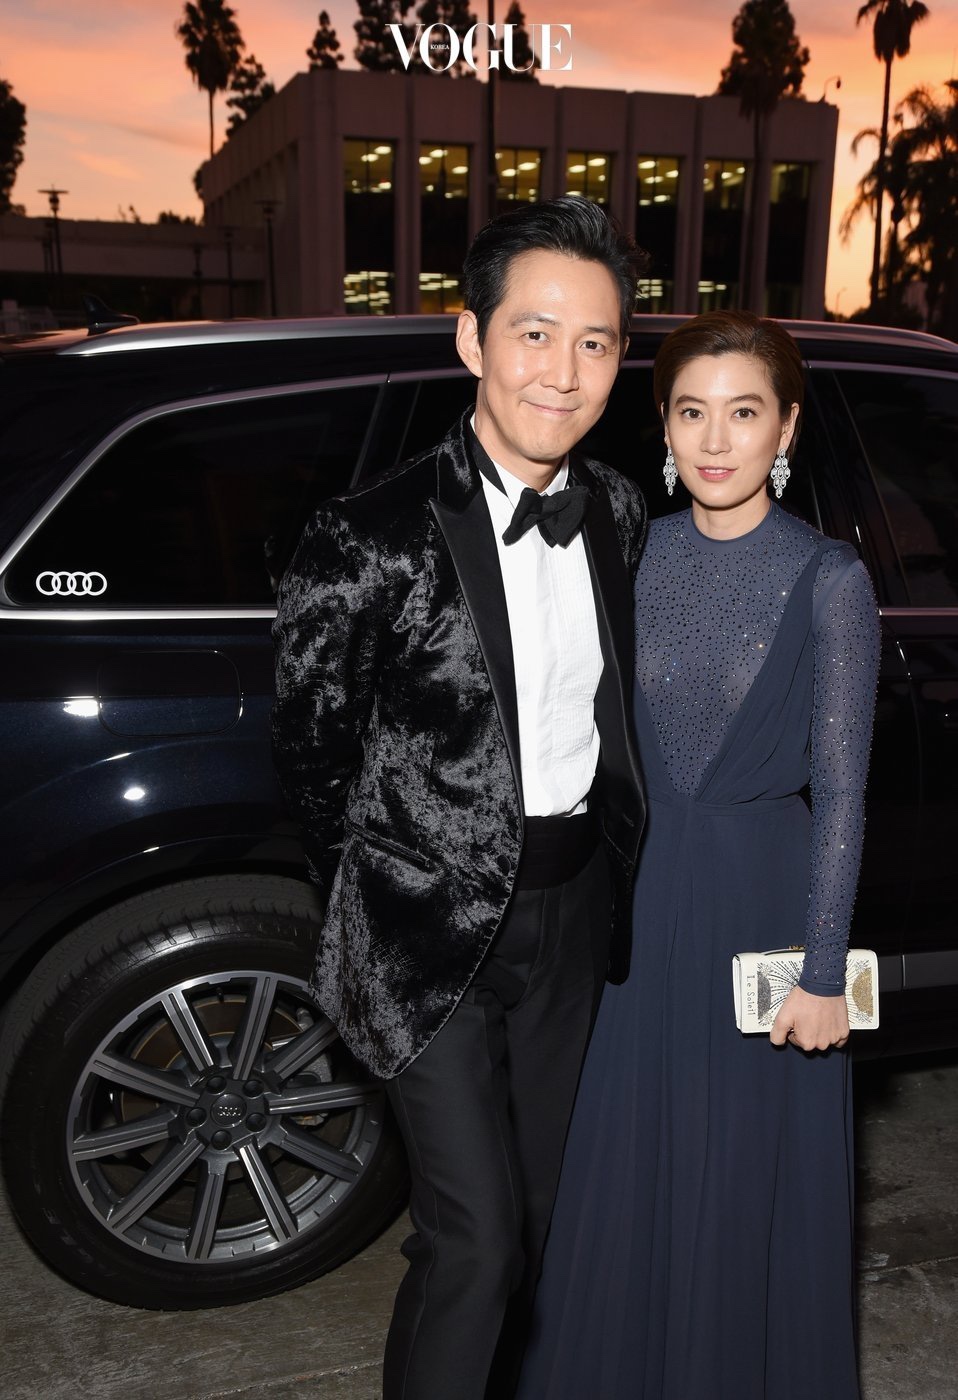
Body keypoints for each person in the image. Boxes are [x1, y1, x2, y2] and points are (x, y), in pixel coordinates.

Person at [271, 196, 649, 1400]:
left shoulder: (618, 512)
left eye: (595, 342)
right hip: (425, 937)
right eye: (534, 333)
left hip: (575, 917)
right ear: (469, 338)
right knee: (476, 1243)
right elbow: (313, 760)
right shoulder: (366, 537)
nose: (563, 371)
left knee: (530, 1222)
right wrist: (392, 882)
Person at [518, 310, 882, 1400]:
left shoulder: (828, 579)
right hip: (633, 912)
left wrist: (823, 972)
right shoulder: (629, 555)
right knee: (626, 1170)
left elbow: (843, 795)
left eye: (744, 412)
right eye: (691, 412)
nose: (716, 440)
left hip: (762, 906)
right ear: (664, 429)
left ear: (787, 429)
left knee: (740, 1178)